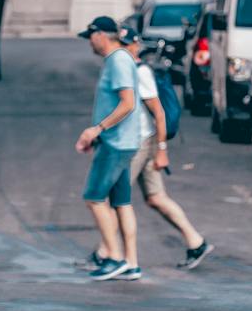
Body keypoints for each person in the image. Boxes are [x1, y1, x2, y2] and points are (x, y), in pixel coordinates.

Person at [122, 29, 213, 270]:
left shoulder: (140, 72)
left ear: (134, 46)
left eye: (125, 44)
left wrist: (162, 150)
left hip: (142, 142)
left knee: (115, 198)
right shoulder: (126, 70)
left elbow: (159, 114)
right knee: (155, 198)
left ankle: (118, 257)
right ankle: (196, 242)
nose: (122, 48)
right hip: (143, 140)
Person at [75, 16, 142, 282]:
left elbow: (128, 103)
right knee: (122, 203)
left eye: (90, 36)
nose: (89, 42)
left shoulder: (118, 60)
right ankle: (131, 262)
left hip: (117, 143)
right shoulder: (118, 60)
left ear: (102, 35)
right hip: (119, 142)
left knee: (94, 197)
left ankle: (113, 257)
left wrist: (97, 129)